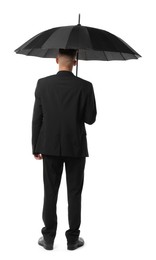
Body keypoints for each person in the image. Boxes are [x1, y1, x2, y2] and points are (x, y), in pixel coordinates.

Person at [32, 49, 97, 250]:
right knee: (74, 193)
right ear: (75, 62)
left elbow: (37, 118)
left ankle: (49, 238)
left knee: (50, 192)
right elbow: (90, 119)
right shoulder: (85, 86)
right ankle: (72, 239)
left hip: (49, 147)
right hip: (75, 147)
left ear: (57, 59)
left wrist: (35, 146)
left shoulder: (43, 84)